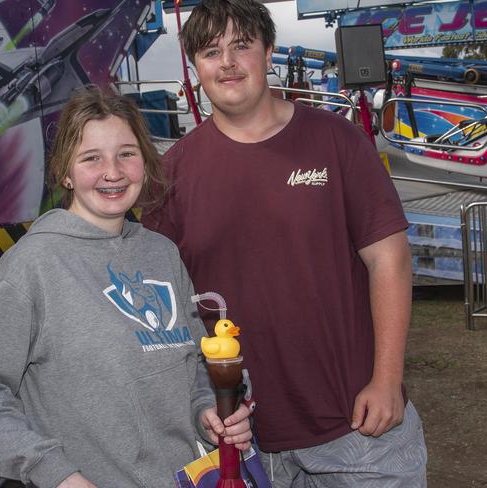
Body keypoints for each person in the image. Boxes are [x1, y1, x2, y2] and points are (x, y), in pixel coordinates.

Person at [141, 1, 427, 486]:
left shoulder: (337, 142)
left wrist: (385, 381)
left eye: (241, 46)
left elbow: (390, 260)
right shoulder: (172, 176)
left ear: (268, 52)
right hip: (243, 441)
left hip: (356, 428)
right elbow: (163, 307)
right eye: (211, 52)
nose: (227, 63)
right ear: (195, 66)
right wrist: (199, 406)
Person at [0, 86, 252, 488]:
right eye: (92, 158)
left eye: (127, 153)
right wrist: (57, 474)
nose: (113, 172)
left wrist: (206, 411)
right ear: (65, 173)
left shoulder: (161, 254)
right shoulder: (34, 265)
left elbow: (195, 363)